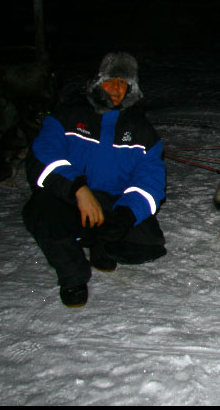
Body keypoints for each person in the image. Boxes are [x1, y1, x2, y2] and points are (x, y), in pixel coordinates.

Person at [22, 52, 167, 307]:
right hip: (71, 198)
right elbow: (44, 156)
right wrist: (78, 189)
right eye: (111, 81)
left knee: (146, 244)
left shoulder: (141, 129)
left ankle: (102, 245)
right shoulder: (66, 116)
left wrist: (127, 213)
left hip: (111, 202)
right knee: (41, 212)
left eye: (123, 83)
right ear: (97, 82)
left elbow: (151, 180)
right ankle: (72, 277)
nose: (116, 89)